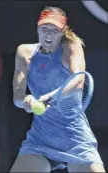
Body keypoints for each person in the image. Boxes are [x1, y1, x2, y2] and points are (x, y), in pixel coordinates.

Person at [10, 6, 105, 172]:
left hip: (75, 137)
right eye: (44, 28)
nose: (48, 34)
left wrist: (51, 96)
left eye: (54, 30)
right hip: (40, 140)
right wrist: (26, 100)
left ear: (63, 32)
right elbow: (17, 96)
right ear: (37, 29)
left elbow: (78, 79)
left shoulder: (72, 46)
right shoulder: (24, 52)